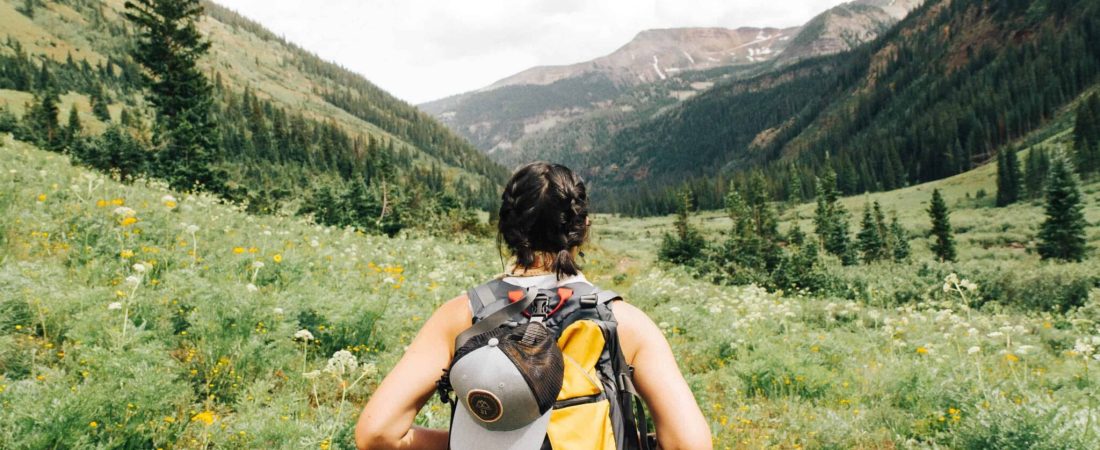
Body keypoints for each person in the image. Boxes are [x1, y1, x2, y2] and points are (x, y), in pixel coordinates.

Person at [355, 162, 712, 450]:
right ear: (583, 227)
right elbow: (690, 444)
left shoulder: (461, 316)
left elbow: (377, 434)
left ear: (506, 229)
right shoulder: (625, 322)